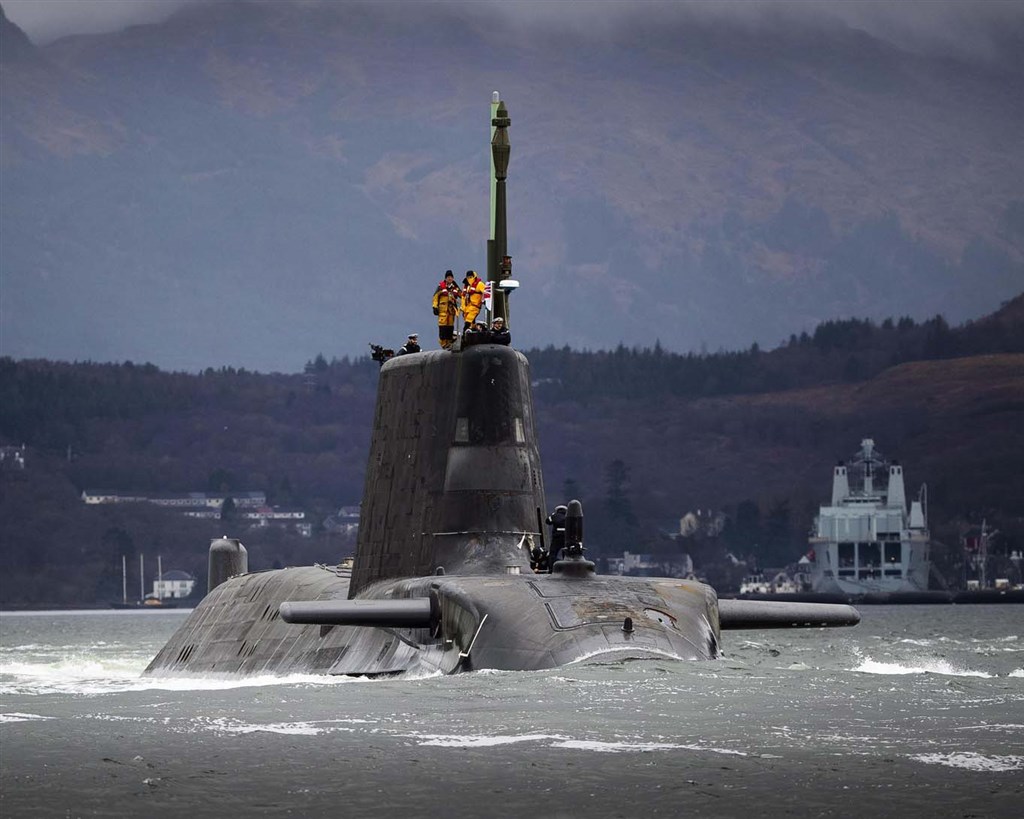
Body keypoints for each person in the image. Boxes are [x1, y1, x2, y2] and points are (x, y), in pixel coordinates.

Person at [431, 270, 460, 350]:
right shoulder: (441, 287)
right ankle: (444, 343)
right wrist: (435, 307)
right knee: (443, 328)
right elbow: (435, 297)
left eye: (451, 277)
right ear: (446, 278)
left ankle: (449, 342)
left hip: (451, 311)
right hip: (443, 311)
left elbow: (461, 295)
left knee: (450, 327)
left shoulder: (455, 287)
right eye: (448, 277)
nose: (450, 279)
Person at [545, 504, 567, 570]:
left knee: (553, 554)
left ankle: (551, 569)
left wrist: (552, 515)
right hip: (566, 538)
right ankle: (567, 569)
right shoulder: (568, 517)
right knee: (566, 554)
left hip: (556, 538)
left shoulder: (554, 516)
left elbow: (547, 521)